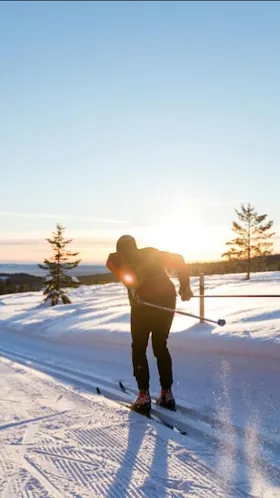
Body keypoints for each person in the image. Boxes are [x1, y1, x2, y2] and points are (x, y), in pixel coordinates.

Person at [106, 235, 193, 414]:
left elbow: (131, 282)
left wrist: (136, 290)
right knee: (160, 346)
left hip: (143, 305)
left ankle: (144, 397)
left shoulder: (117, 259)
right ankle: (166, 394)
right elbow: (179, 259)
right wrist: (185, 286)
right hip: (167, 300)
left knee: (139, 348)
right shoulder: (152, 253)